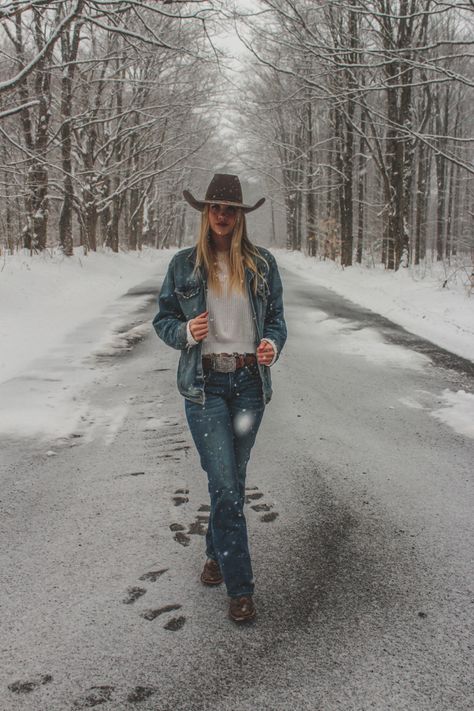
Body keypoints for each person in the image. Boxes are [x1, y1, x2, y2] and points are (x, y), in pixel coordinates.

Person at [153, 173, 287, 623]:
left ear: (241, 216)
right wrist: (185, 332)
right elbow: (163, 320)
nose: (223, 216)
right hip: (204, 387)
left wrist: (271, 345)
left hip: (250, 386)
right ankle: (240, 587)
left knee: (232, 479)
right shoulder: (183, 265)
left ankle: (215, 552)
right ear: (205, 213)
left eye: (230, 209)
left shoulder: (262, 264)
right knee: (227, 484)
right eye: (216, 208)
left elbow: (278, 322)